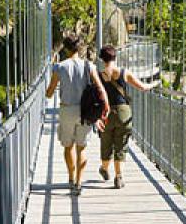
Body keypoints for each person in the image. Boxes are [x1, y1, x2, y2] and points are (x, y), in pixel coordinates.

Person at [46, 34, 109, 195]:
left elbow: (50, 92)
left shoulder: (60, 67)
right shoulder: (89, 66)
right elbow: (100, 88)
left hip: (67, 110)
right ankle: (79, 182)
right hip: (85, 111)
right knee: (82, 148)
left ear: (66, 49)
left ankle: (71, 178)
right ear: (79, 47)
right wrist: (106, 105)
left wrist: (49, 91)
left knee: (68, 146)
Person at [97, 44, 156, 189]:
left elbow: (96, 97)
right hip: (123, 112)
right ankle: (118, 177)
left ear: (101, 59)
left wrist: (97, 117)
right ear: (115, 57)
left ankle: (104, 168)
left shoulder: (98, 76)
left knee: (106, 144)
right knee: (121, 145)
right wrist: (154, 84)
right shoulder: (124, 72)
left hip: (106, 113)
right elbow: (142, 87)